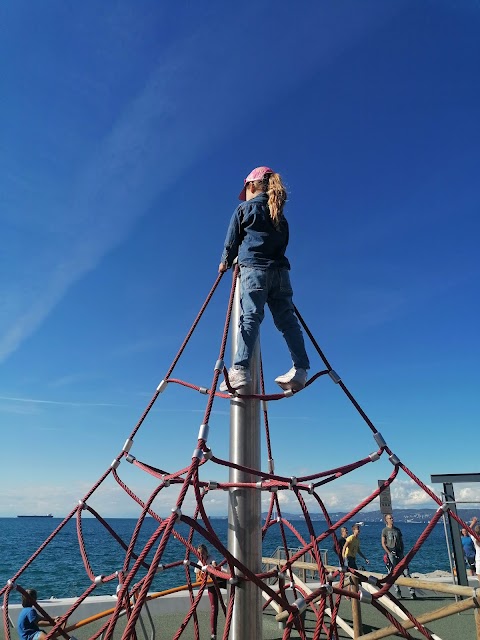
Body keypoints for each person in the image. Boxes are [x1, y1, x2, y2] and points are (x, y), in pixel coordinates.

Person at [218, 166, 310, 392]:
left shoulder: (244, 209)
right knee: (287, 320)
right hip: (280, 274)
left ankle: (240, 369)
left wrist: (225, 262)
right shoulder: (279, 215)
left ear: (251, 186)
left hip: (253, 270)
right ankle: (300, 369)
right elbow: (283, 244)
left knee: (250, 318)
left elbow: (232, 241)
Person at [381, 514, 416, 599]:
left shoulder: (397, 530)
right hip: (391, 552)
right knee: (393, 572)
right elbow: (383, 543)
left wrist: (402, 551)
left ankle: (412, 591)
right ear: (386, 520)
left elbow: (401, 541)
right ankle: (397, 591)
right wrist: (388, 552)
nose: (392, 519)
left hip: (399, 552)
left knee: (406, 571)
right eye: (390, 518)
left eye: (392, 518)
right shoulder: (385, 530)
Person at [195, 544, 219, 640]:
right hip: (211, 585)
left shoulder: (210, 558)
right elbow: (197, 579)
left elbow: (214, 564)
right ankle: (213, 634)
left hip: (218, 581)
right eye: (199, 554)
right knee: (214, 607)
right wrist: (204, 576)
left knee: (233, 585)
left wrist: (212, 569)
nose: (201, 556)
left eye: (203, 554)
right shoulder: (198, 565)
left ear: (206, 553)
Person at [469, 516, 480, 584]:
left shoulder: (475, 538)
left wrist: (473, 522)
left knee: (479, 576)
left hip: (479, 559)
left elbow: (468, 530)